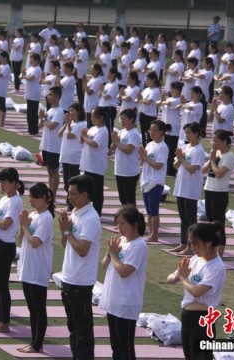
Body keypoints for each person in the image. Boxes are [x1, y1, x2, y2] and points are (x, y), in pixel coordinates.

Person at [167, 222, 226, 360]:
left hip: (202, 320)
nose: (193, 247)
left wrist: (182, 278)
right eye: (190, 243)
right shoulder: (195, 260)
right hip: (187, 318)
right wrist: (177, 276)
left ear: (208, 242)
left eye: (196, 243)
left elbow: (197, 292)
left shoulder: (217, 267)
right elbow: (170, 278)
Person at [58, 174, 101, 360]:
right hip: (68, 277)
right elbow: (65, 243)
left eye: (73, 194)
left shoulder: (90, 218)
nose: (70, 197)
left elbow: (82, 250)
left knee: (82, 329)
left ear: (85, 195)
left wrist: (67, 231)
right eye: (69, 193)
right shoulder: (75, 213)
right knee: (73, 327)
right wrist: (64, 230)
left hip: (81, 281)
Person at [100, 206, 148, 360]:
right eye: (118, 224)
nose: (119, 228)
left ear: (134, 225)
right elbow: (104, 265)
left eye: (123, 224)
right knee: (116, 345)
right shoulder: (120, 241)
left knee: (125, 346)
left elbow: (124, 271)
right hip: (114, 300)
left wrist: (113, 254)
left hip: (126, 303)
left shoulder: (139, 245)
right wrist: (109, 253)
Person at [0, 168, 24, 333]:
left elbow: (5, 224)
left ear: (14, 183)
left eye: (4, 182)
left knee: (2, 284)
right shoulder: (4, 199)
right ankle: (1, 319)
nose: (1, 185)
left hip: (6, 245)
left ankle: (5, 322)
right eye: (0, 182)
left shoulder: (15, 201)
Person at [16, 182, 55, 353]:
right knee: (32, 308)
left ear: (45, 198)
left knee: (38, 309)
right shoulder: (34, 214)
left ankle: (37, 344)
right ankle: (33, 341)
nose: (30, 200)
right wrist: (22, 224)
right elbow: (21, 240)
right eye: (30, 196)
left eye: (34, 197)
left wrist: (25, 226)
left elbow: (35, 242)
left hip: (38, 269)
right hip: (27, 267)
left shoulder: (46, 218)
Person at [171, 122, 206, 256]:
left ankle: (193, 246)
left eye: (189, 133)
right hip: (181, 187)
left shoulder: (199, 150)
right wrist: (180, 159)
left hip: (191, 189)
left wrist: (182, 160)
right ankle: (183, 243)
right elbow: (175, 165)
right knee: (183, 218)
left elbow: (193, 169)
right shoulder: (185, 147)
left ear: (196, 134)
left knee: (191, 220)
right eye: (186, 133)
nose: (187, 136)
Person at [202, 130, 234, 256]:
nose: (213, 143)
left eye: (216, 140)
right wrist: (211, 159)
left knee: (218, 224)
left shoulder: (229, 156)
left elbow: (219, 174)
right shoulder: (216, 154)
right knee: (210, 224)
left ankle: (219, 254)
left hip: (219, 193)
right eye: (213, 140)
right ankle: (211, 250)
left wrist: (213, 161)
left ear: (224, 142)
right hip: (209, 189)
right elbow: (203, 170)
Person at [139, 120, 170, 242]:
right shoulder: (150, 144)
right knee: (149, 211)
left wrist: (145, 157)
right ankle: (150, 233)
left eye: (154, 131)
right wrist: (142, 156)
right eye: (150, 130)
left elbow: (158, 165)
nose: (151, 133)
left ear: (161, 132)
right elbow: (143, 162)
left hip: (156, 181)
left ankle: (154, 235)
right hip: (146, 180)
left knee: (154, 210)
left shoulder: (163, 147)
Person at [79, 106, 108, 216]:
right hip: (87, 164)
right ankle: (88, 211)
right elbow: (83, 141)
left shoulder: (103, 130)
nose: (91, 118)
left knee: (97, 192)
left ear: (100, 117)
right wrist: (83, 138)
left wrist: (85, 137)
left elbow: (95, 144)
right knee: (88, 191)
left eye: (93, 116)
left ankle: (97, 213)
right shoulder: (92, 129)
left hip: (96, 166)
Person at [59, 103, 87, 211]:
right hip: (66, 156)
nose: (70, 113)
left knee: (72, 183)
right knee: (66, 183)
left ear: (78, 112)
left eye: (72, 111)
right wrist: (66, 123)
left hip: (74, 158)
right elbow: (60, 133)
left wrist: (68, 124)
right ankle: (70, 203)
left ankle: (73, 204)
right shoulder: (70, 124)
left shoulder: (82, 124)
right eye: (69, 111)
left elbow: (70, 135)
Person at [111, 108, 141, 207]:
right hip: (120, 170)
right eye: (121, 119)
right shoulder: (122, 131)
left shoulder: (134, 133)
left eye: (124, 119)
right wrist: (114, 140)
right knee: (123, 198)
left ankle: (133, 220)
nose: (121, 121)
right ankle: (126, 219)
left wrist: (116, 142)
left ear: (131, 119)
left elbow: (128, 150)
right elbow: (112, 148)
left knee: (129, 199)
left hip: (130, 172)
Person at [39, 86, 63, 196]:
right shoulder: (49, 110)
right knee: (49, 170)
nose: (48, 97)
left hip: (55, 146)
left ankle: (53, 193)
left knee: (54, 171)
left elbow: (52, 126)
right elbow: (39, 126)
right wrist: (42, 118)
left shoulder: (59, 111)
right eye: (48, 95)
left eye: (51, 95)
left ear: (57, 96)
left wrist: (44, 119)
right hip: (46, 145)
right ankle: (50, 192)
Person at [159, 81, 182, 177]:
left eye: (173, 89)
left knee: (172, 152)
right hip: (166, 127)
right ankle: (167, 169)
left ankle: (171, 171)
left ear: (179, 91)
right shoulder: (169, 99)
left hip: (174, 129)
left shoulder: (178, 100)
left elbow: (168, 103)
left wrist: (162, 100)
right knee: (166, 150)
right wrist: (162, 100)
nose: (171, 90)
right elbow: (161, 105)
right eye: (171, 88)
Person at [137, 71, 161, 146]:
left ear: (153, 80)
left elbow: (148, 102)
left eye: (148, 79)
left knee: (150, 135)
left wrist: (140, 100)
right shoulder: (146, 89)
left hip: (150, 115)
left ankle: (149, 150)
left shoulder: (156, 90)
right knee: (143, 135)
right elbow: (140, 99)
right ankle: (145, 149)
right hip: (143, 113)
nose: (146, 81)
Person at [21, 53, 42, 135]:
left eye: (32, 59)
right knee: (29, 113)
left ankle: (34, 130)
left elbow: (31, 78)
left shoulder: (37, 69)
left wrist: (23, 75)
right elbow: (21, 77)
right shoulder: (30, 68)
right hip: (29, 92)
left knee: (33, 113)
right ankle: (30, 129)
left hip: (34, 93)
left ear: (36, 60)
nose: (30, 60)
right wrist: (22, 75)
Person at [10, 28, 24, 94]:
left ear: (20, 33)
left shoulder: (21, 39)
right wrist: (12, 44)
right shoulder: (16, 39)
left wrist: (12, 43)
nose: (15, 33)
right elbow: (12, 47)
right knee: (15, 74)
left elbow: (16, 48)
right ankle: (16, 87)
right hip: (14, 58)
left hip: (18, 58)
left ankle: (17, 88)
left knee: (17, 74)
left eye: (17, 32)